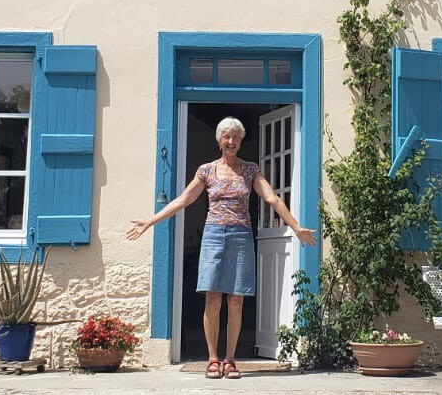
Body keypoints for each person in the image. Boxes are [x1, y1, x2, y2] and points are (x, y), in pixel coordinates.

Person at [127, 116, 316, 379]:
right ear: (219, 141)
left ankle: (230, 359)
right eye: (226, 136)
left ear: (240, 141)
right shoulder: (206, 170)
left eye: (235, 137)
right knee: (212, 298)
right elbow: (183, 200)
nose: (231, 141)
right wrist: (151, 220)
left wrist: (295, 227)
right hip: (214, 235)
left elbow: (272, 197)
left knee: (236, 300)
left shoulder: (250, 170)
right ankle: (212, 359)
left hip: (241, 236)